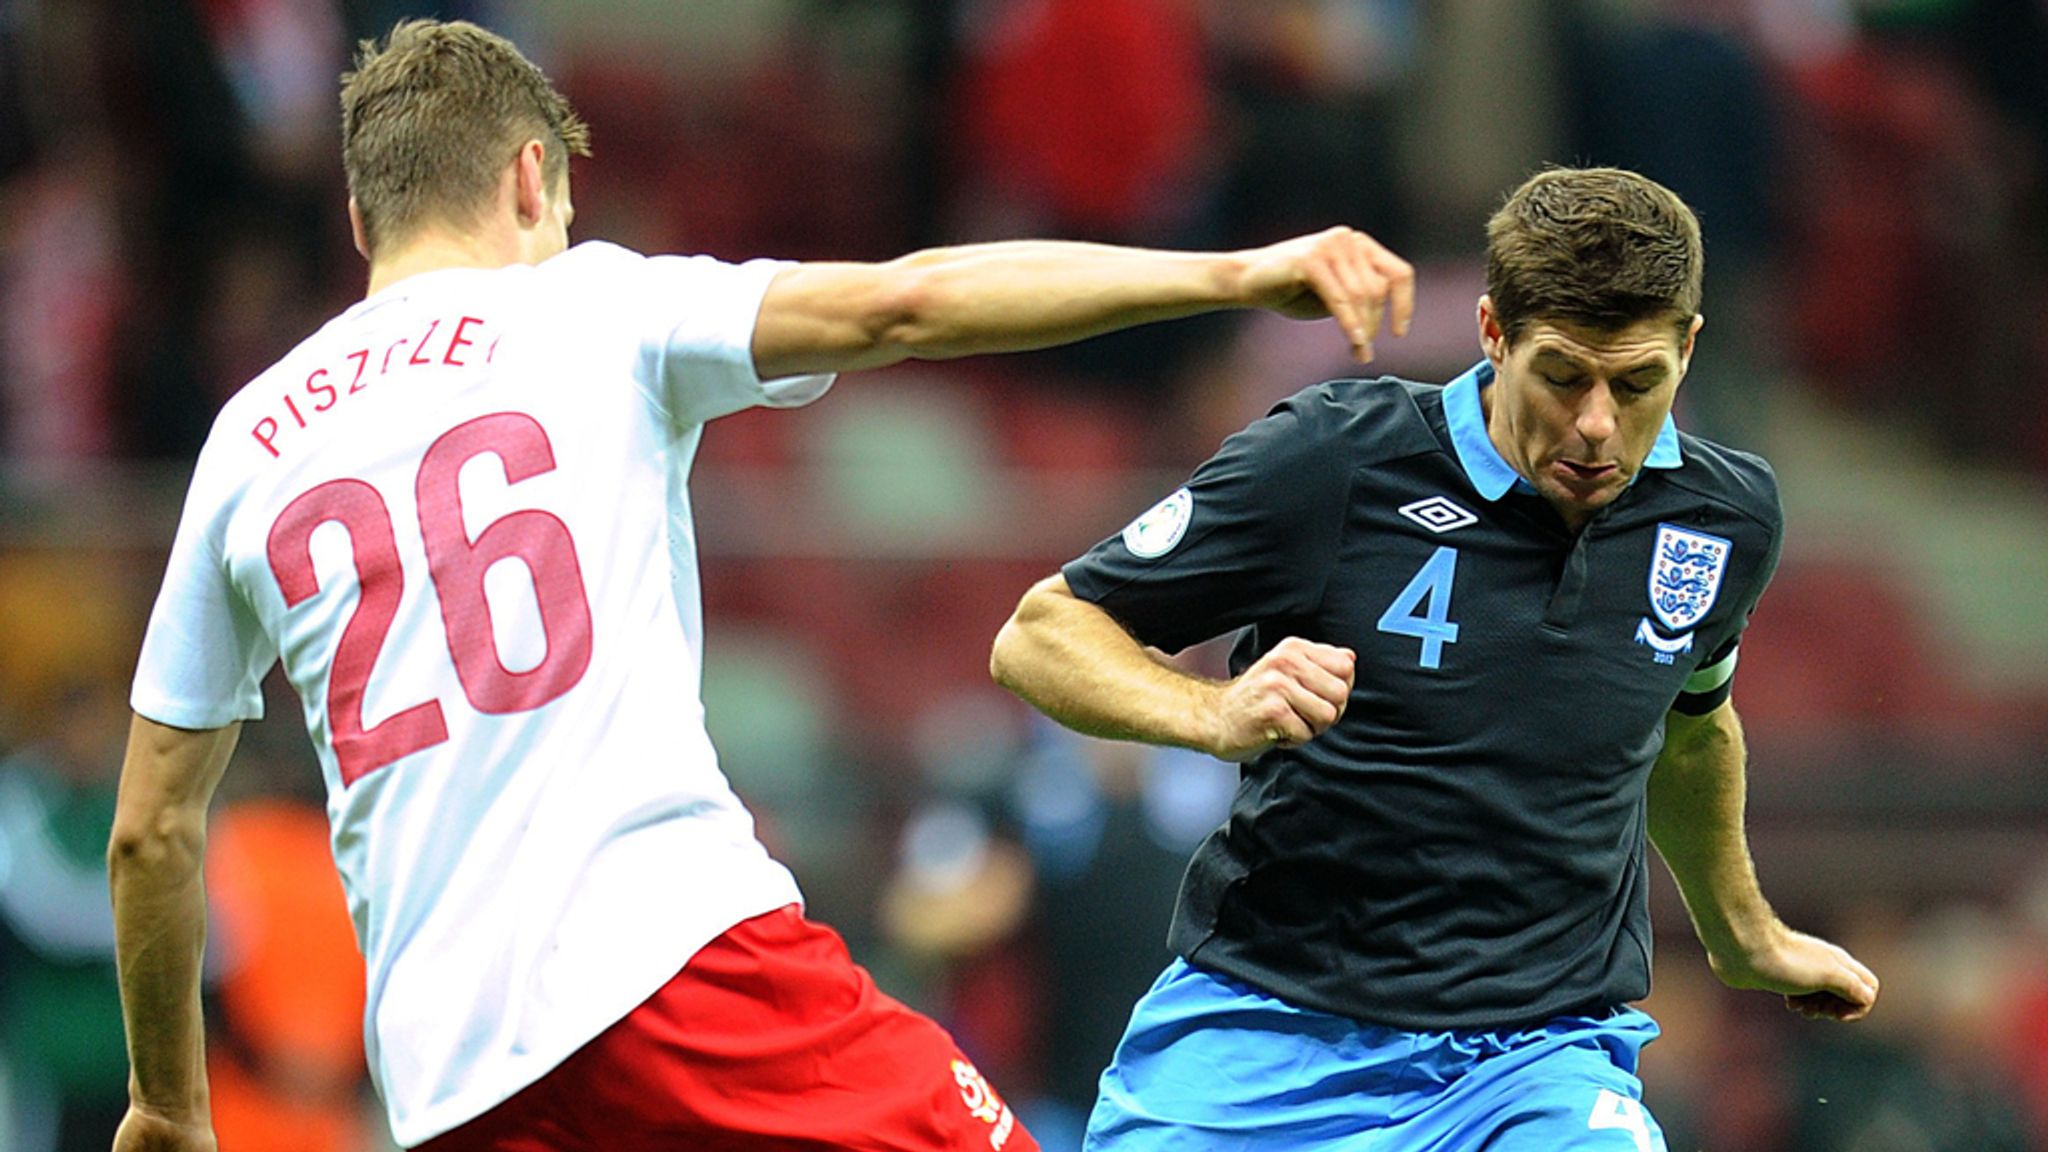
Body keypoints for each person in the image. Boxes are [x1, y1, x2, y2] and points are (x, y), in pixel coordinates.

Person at [107, 17, 1416, 1152]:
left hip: (449, 1078)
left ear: (359, 217)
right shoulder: (591, 306)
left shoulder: (250, 443)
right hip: (673, 968)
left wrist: (170, 1106)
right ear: (529, 177)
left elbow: (152, 834)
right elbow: (913, 303)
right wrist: (1233, 275)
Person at [989, 165, 1881, 1151]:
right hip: (1267, 1037)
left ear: (1688, 348)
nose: (1595, 424)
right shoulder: (1337, 460)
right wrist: (1210, 714)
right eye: (1560, 375)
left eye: (1635, 384)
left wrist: (1741, 934)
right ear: (1493, 335)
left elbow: (1690, 727)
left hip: (1533, 1057)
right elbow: (1041, 635)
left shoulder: (1723, 519)